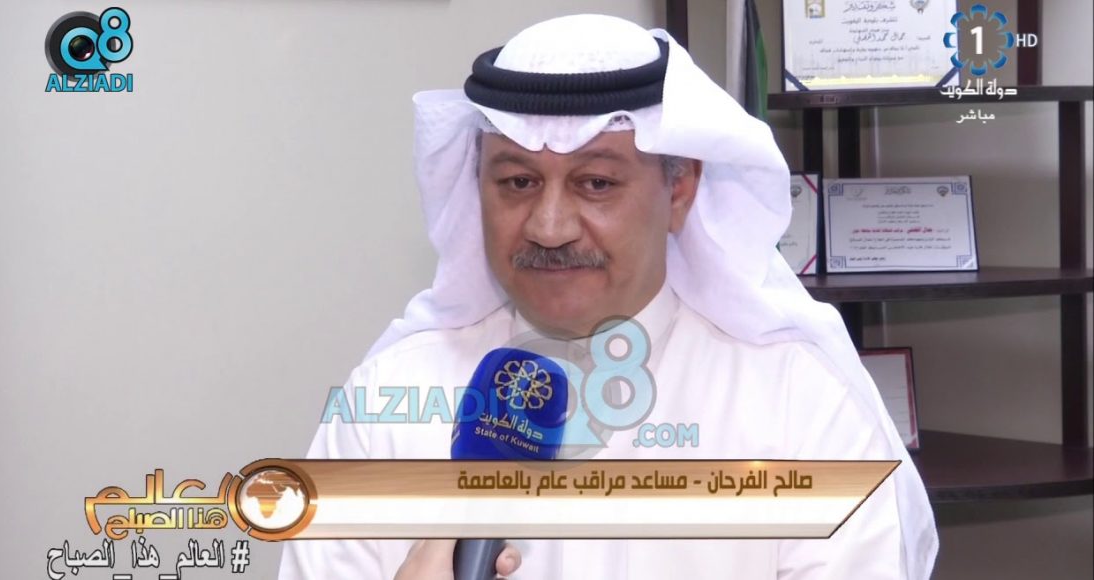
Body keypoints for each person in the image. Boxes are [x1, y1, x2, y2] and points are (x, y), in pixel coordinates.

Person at [278, 14, 938, 580]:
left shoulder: (802, 409)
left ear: (679, 189)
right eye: (517, 182)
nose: (549, 228)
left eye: (595, 183)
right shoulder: (385, 405)